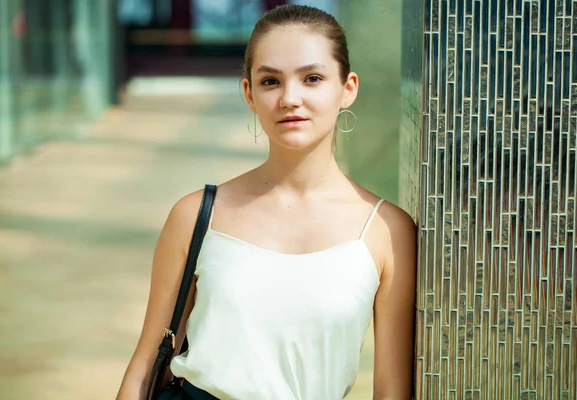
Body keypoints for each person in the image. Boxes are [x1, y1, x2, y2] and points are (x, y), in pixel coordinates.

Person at [116, 4, 416, 400]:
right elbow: (144, 368)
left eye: (312, 78)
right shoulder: (196, 215)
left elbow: (392, 391)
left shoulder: (387, 231)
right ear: (249, 94)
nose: (290, 98)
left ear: (348, 89)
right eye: (271, 81)